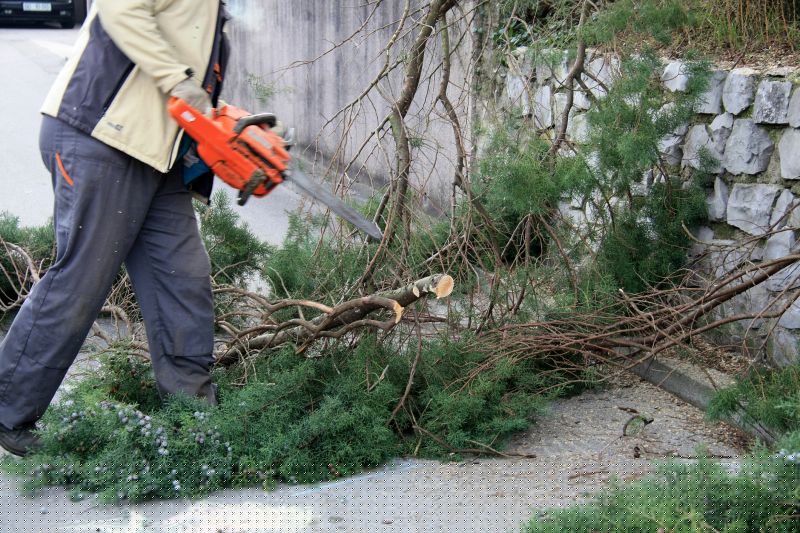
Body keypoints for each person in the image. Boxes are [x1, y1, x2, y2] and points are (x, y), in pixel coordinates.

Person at [0, 0, 229, 457]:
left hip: (158, 156)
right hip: (100, 136)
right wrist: (179, 81)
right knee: (82, 280)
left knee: (182, 278)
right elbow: (120, 9)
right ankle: (8, 408)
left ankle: (194, 417)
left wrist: (227, 122)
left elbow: (191, 71)